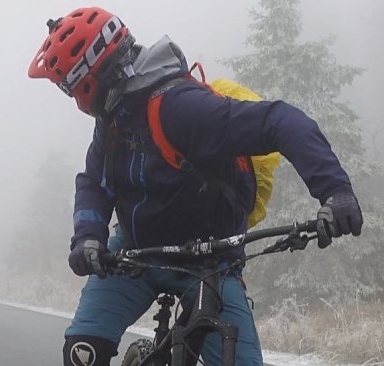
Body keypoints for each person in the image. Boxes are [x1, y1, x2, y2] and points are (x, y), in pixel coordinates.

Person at [27, 7, 363, 366]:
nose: (70, 94)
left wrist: (335, 191)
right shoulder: (115, 115)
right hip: (134, 254)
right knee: (83, 354)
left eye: (69, 85)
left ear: (92, 76)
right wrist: (88, 237)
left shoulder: (181, 108)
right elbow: (94, 181)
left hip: (209, 263)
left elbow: (282, 122)